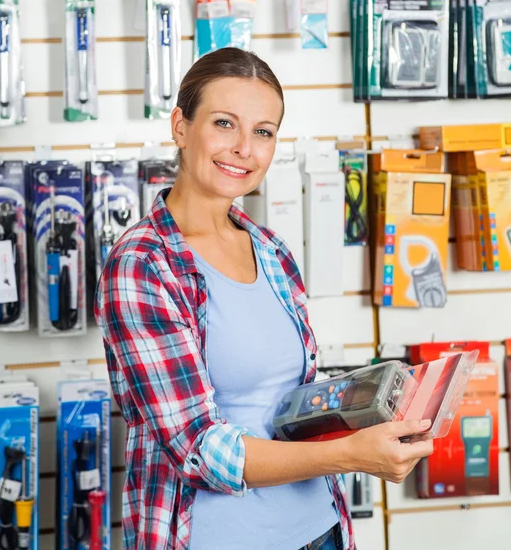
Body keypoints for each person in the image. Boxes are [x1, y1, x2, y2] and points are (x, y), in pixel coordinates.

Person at [94, 47, 434, 550]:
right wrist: (351, 454)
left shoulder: (270, 249)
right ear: (181, 127)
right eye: (225, 123)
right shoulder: (142, 265)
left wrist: (372, 409)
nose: (244, 148)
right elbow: (198, 449)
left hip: (320, 528)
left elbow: (293, 400)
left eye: (264, 131)